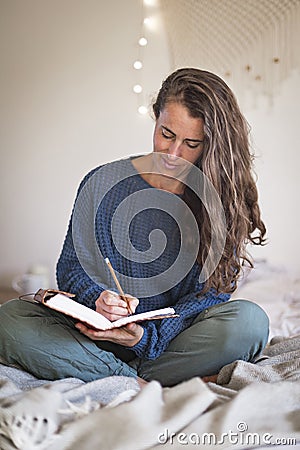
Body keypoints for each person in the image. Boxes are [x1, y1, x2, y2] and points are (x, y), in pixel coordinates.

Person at [0, 68, 269, 387]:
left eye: (191, 143)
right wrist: (98, 299)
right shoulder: (102, 182)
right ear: (156, 118)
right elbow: (72, 268)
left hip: (172, 343)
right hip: (94, 338)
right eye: (166, 134)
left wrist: (142, 338)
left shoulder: (222, 201)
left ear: (211, 145)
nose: (173, 154)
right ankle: (138, 380)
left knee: (250, 322)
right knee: (10, 318)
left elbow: (210, 296)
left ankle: (115, 377)